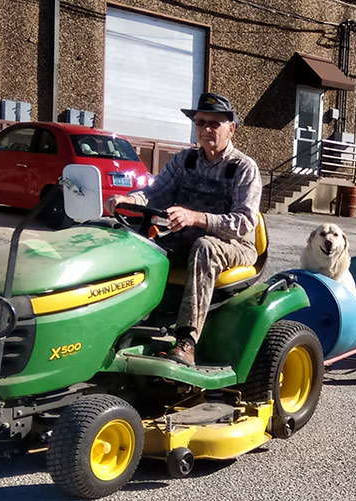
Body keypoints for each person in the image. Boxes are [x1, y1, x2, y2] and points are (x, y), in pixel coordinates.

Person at [103, 92, 262, 366]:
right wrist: (130, 200)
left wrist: (196, 218)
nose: (206, 129)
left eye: (215, 123)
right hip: (186, 239)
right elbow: (155, 193)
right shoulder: (184, 161)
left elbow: (244, 222)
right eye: (201, 123)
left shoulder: (243, 169)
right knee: (135, 244)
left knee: (205, 248)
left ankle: (187, 341)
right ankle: (122, 324)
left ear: (231, 128)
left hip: (236, 246)